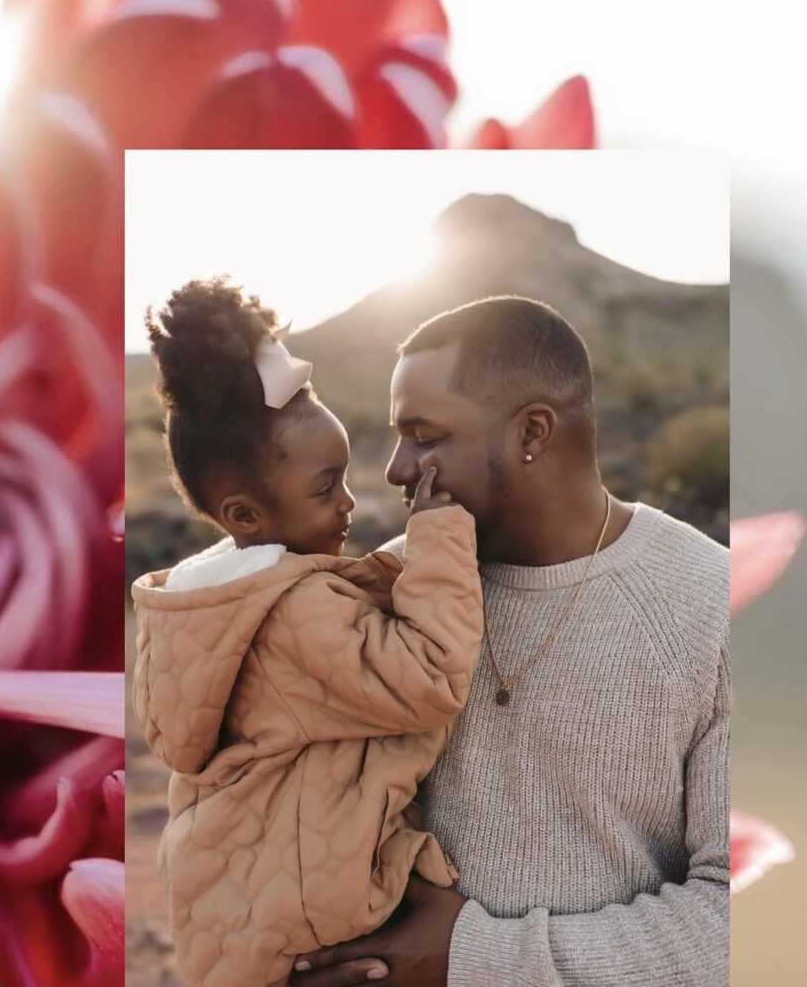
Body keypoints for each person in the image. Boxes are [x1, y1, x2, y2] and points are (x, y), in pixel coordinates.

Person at [290, 295, 729, 987]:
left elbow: (747, 919)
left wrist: (473, 958)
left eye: (426, 436)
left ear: (531, 432)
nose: (398, 469)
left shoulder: (714, 606)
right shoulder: (389, 585)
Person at [130, 277, 486, 987]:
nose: (350, 502)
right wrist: (441, 535)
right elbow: (432, 679)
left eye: (345, 477)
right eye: (326, 489)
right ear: (245, 515)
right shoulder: (291, 613)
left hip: (239, 929)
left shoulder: (212, 606)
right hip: (310, 938)